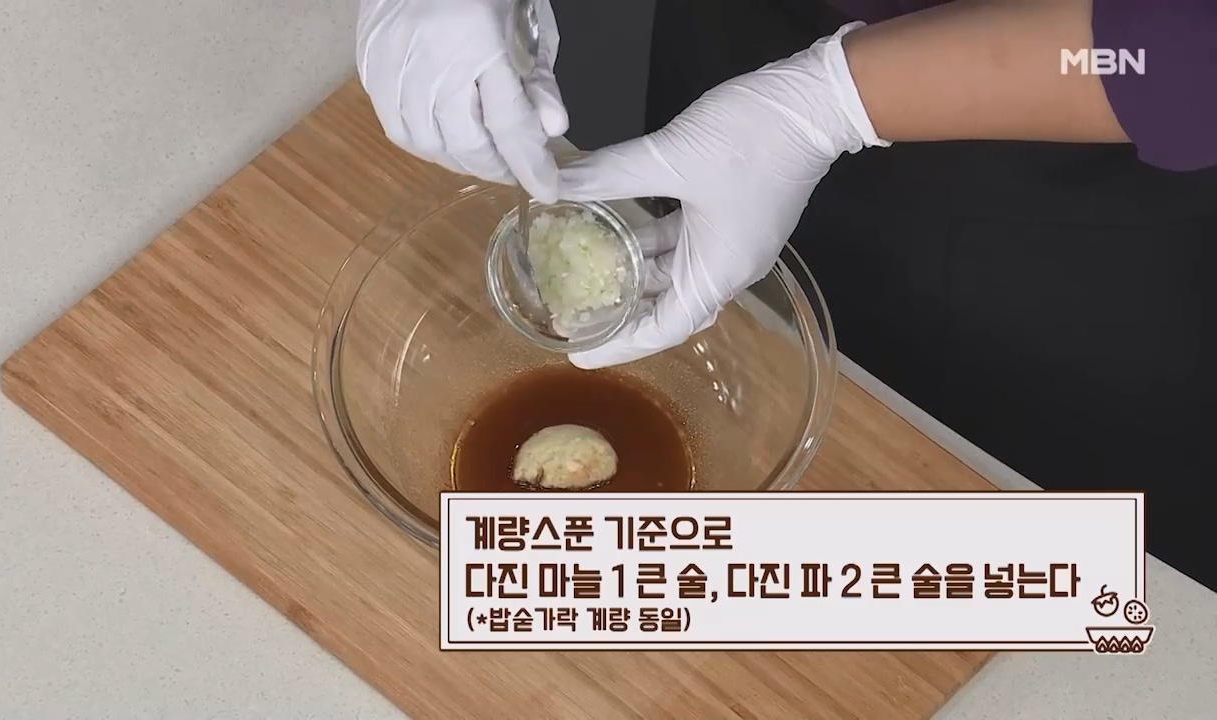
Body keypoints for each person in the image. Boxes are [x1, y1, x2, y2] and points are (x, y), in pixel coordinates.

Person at [357, 0, 1217, 590]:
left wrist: (829, 100)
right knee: (713, 295)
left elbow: (1181, 48)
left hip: (1072, 130)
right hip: (752, 43)